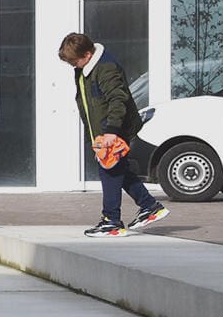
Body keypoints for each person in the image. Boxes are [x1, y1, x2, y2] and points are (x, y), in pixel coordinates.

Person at [60, 32, 168, 237]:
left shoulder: (106, 68)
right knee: (119, 170)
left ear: (88, 54)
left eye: (75, 61)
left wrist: (111, 132)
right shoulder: (84, 70)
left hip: (115, 129)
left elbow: (118, 100)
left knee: (109, 172)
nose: (73, 65)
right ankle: (149, 206)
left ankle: (112, 221)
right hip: (103, 131)